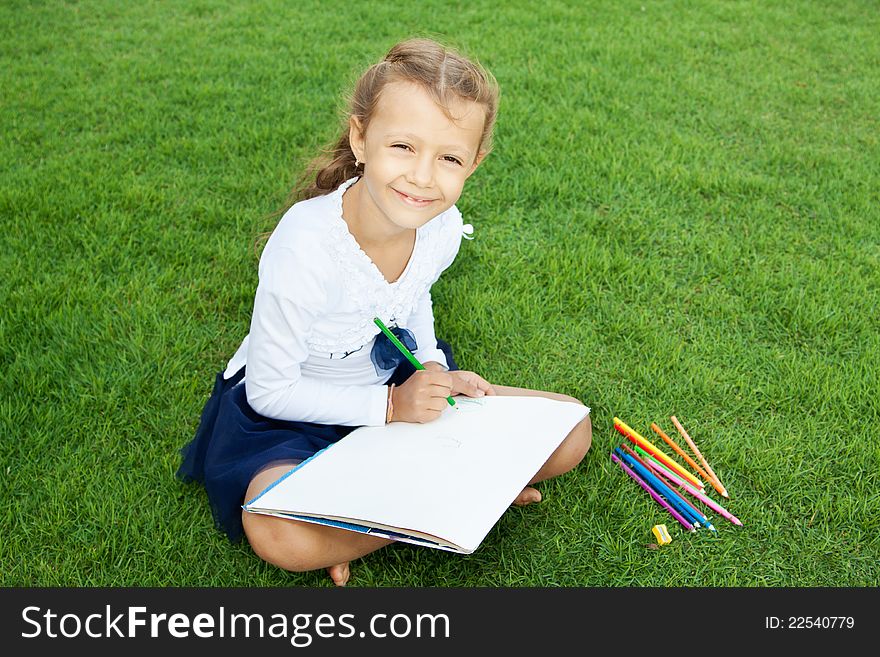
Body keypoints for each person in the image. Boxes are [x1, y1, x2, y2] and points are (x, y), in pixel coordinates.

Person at [177, 37, 592, 586]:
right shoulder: (304, 247)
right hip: (290, 413)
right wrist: (392, 407)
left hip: (395, 382)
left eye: (448, 158)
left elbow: (414, 294)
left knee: (571, 428)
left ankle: (372, 513)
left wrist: (428, 368)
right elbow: (269, 392)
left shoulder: (441, 226)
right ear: (361, 138)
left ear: (474, 163)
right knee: (278, 531)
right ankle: (456, 493)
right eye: (403, 146)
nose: (422, 177)